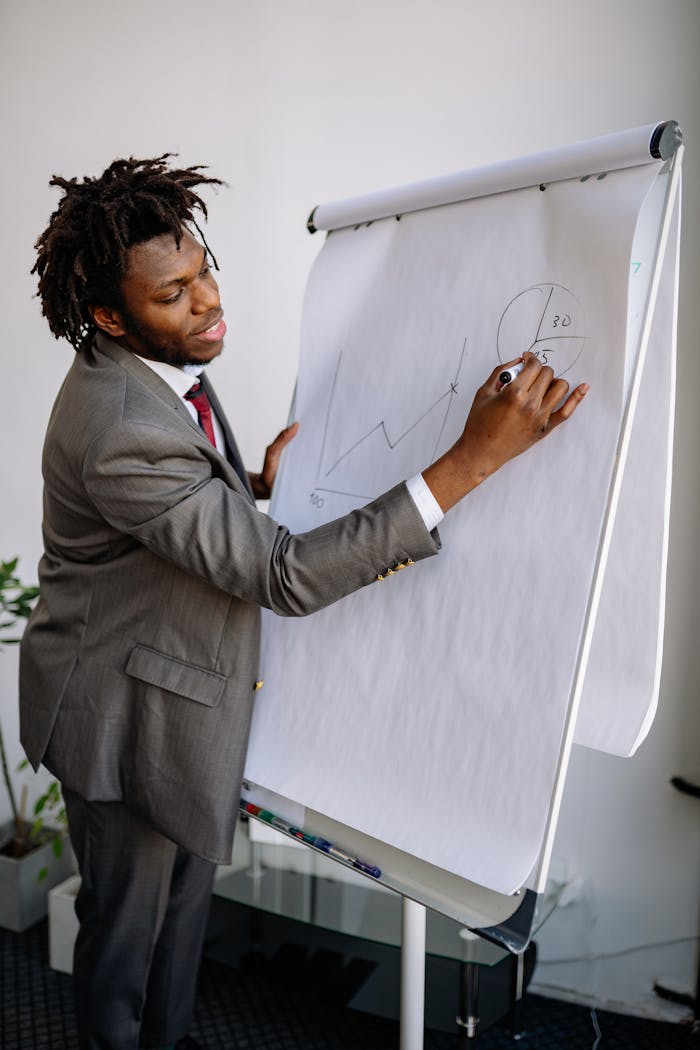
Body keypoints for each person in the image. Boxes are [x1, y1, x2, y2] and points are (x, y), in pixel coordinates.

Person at [19, 155, 588, 1050]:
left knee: (181, 929)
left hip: (170, 695)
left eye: (204, 269)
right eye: (174, 294)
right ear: (107, 315)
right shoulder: (119, 421)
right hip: (118, 714)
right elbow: (278, 577)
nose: (207, 300)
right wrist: (475, 457)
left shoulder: (150, 373)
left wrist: (245, 491)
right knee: (127, 945)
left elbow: (164, 510)